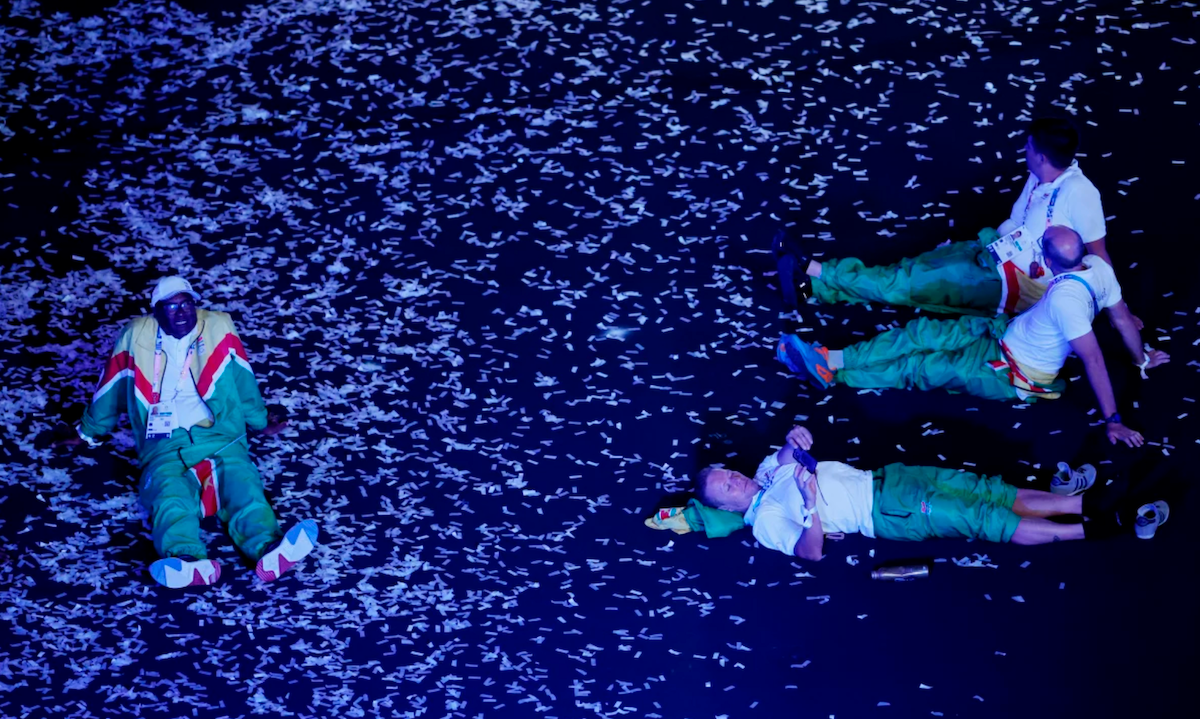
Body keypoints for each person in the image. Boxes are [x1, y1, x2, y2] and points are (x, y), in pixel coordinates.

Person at [777, 226, 1169, 448]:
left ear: (1047, 261)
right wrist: (1142, 358)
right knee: (919, 333)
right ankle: (832, 359)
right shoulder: (1099, 267)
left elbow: (1094, 359)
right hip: (1000, 332)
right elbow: (1121, 318)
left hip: (1008, 372)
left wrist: (1113, 420)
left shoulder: (1067, 299)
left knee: (919, 367)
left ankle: (833, 370)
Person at [51, 276, 319, 589]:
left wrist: (260, 421)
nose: (182, 313)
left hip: (219, 438)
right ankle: (187, 561)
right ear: (156, 312)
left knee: (242, 484)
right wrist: (87, 432)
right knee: (168, 494)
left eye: (187, 303)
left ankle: (269, 550)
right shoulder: (135, 336)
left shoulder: (218, 325)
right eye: (172, 306)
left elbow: (242, 377)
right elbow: (111, 385)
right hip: (164, 446)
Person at [775, 118, 1139, 324]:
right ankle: (810, 291)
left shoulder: (1081, 193)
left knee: (905, 281)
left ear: (1042, 157)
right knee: (909, 270)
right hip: (990, 252)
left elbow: (1098, 255)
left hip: (1012, 283)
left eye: (1028, 148)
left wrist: (1121, 311)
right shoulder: (1042, 174)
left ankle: (812, 268)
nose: (1023, 151)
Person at [695, 426, 1167, 560]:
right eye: (726, 488)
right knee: (983, 518)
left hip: (885, 477)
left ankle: (1085, 503)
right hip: (887, 512)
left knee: (987, 489)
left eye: (728, 474)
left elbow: (786, 454)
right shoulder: (762, 524)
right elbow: (811, 552)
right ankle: (1097, 529)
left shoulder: (761, 470)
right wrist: (812, 506)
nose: (735, 480)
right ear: (726, 506)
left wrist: (794, 438)